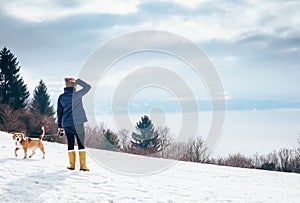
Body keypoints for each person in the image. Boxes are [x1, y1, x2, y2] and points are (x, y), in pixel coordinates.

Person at [57, 78, 91, 171]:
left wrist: (60, 127)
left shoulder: (61, 97)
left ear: (66, 86)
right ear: (74, 86)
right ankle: (83, 166)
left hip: (67, 124)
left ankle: (71, 165)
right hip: (78, 123)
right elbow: (88, 87)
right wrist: (78, 81)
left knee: (70, 143)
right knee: (81, 144)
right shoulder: (77, 95)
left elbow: (59, 113)